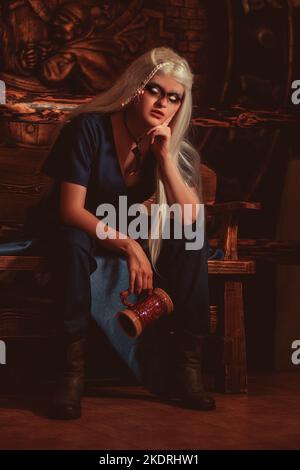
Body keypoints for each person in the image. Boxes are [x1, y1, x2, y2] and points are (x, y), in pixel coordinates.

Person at [26, 46, 216, 419]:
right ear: (134, 87)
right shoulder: (88, 129)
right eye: (154, 90)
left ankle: (187, 366)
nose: (163, 103)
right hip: (77, 226)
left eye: (174, 97)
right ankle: (71, 373)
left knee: (193, 240)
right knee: (74, 243)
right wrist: (129, 244)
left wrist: (163, 158)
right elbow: (69, 210)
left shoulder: (169, 146)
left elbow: (191, 218)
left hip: (126, 227)